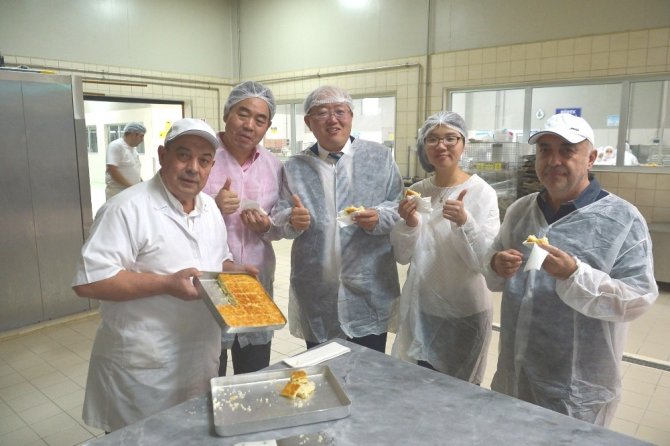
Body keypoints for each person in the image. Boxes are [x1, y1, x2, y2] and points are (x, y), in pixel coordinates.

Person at [72, 118, 256, 432]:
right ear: (162, 155)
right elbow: (90, 281)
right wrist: (166, 283)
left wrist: (237, 272)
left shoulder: (210, 209)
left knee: (192, 434)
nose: (193, 168)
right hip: (144, 369)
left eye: (204, 160)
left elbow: (216, 261)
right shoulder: (127, 208)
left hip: (198, 358)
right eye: (183, 155)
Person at [484, 113, 658, 426]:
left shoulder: (622, 220)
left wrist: (575, 275)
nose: (553, 160)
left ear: (591, 158)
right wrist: (497, 264)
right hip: (516, 369)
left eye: (567, 150)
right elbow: (494, 268)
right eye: (545, 150)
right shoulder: (521, 210)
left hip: (577, 388)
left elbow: (638, 299)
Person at [271, 85, 403, 353]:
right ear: (308, 122)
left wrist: (379, 216)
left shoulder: (379, 157)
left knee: (368, 371)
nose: (332, 120)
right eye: (321, 113)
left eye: (339, 111)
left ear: (351, 116)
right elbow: (279, 215)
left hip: (368, 289)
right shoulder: (295, 167)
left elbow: (400, 206)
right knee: (322, 373)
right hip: (317, 291)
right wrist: (291, 220)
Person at [202, 81, 310, 376]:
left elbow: (277, 224)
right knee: (209, 370)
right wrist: (211, 204)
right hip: (210, 279)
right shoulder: (203, 155)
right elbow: (173, 212)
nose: (249, 125)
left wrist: (269, 225)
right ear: (227, 114)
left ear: (267, 126)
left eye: (259, 120)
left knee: (253, 369)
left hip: (254, 279)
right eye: (242, 114)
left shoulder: (273, 165)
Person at [390, 111, 500, 384]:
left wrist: (464, 222)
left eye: (451, 138)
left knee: (458, 394)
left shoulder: (482, 192)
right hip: (423, 308)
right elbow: (402, 256)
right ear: (423, 146)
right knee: (420, 387)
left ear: (463, 144)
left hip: (464, 312)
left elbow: (484, 263)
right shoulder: (416, 190)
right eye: (433, 139)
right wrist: (410, 223)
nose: (441, 146)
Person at [105, 122, 146, 199]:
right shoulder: (116, 146)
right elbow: (112, 170)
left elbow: (133, 168)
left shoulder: (133, 149)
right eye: (141, 136)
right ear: (134, 134)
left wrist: (141, 184)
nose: (142, 140)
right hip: (118, 194)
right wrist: (131, 187)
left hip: (131, 193)